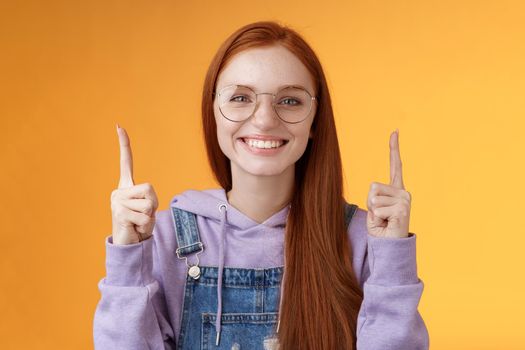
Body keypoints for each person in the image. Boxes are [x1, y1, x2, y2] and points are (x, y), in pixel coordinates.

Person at [93, 21, 429, 350]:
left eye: (289, 101)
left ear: (315, 119)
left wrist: (392, 260)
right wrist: (127, 262)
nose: (265, 119)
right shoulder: (165, 239)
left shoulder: (361, 238)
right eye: (240, 97)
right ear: (213, 112)